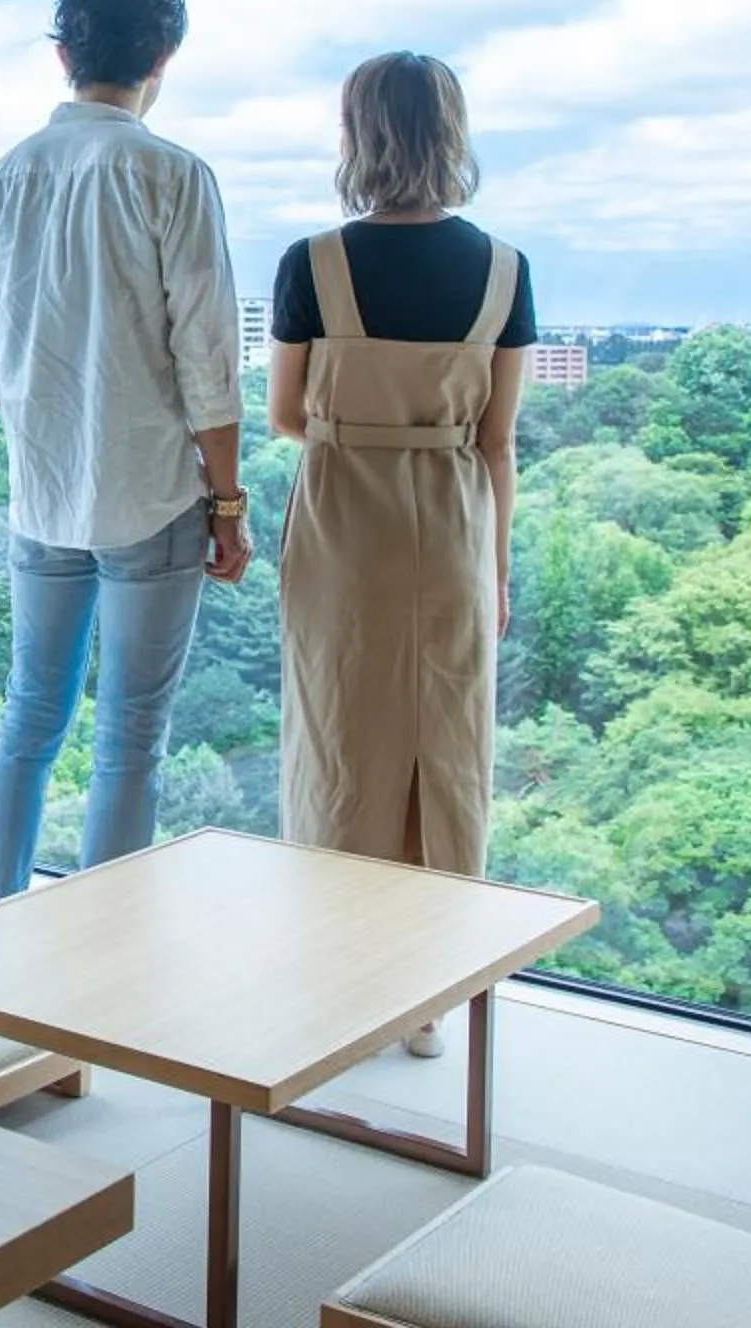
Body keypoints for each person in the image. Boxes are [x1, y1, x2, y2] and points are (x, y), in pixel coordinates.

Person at [0, 0, 251, 905]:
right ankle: (105, 950)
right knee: (132, 734)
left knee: (28, 713)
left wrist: (43, 447)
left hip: (40, 493)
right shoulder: (171, 173)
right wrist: (229, 504)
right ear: (165, 51)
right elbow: (206, 361)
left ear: (62, 54)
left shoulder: (6, 178)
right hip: (155, 494)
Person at [269, 51, 533, 1056]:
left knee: (339, 743)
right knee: (447, 754)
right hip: (457, 528)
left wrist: (363, 430)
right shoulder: (505, 270)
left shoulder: (314, 264)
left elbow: (288, 414)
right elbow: (498, 439)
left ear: (358, 136)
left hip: (342, 530)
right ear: (451, 134)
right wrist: (495, 566)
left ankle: (340, 980)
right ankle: (429, 995)